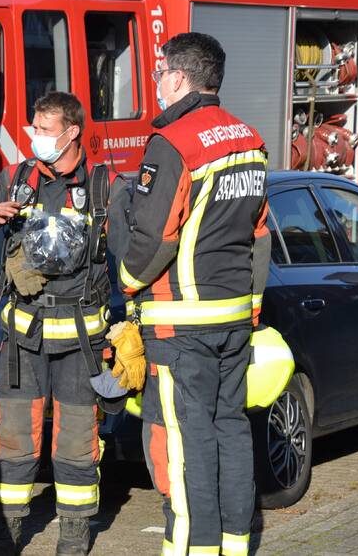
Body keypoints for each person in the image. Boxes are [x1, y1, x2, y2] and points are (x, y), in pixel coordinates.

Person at [115, 33, 270, 556]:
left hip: (181, 324)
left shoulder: (173, 142)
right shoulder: (249, 139)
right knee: (232, 428)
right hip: (235, 319)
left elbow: (154, 237)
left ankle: (192, 547)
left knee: (188, 442)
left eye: (160, 73)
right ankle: (234, 543)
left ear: (179, 78)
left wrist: (126, 281)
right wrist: (251, 307)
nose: (157, 82)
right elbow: (260, 235)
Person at [0, 92, 112, 556]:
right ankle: (4, 535)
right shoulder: (17, 178)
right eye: (35, 128)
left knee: (78, 440)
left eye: (45, 130)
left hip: (81, 343)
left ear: (72, 132)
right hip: (24, 341)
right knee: (13, 438)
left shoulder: (104, 187)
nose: (36, 137)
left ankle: (74, 534)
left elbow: (132, 257)